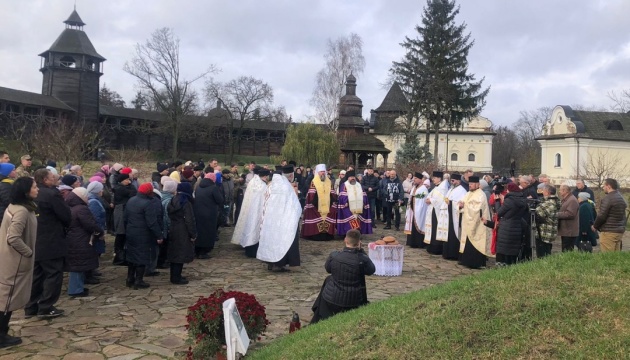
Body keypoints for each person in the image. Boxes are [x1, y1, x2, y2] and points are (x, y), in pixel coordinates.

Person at [23, 169, 71, 318]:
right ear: (45, 179)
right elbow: (65, 215)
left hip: (33, 240)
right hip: (51, 240)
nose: (55, 179)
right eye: (52, 177)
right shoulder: (52, 194)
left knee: (36, 275)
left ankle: (30, 307)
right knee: (53, 274)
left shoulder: (28, 195)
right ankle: (46, 306)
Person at [0, 177, 39, 348]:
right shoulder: (22, 211)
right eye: (34, 186)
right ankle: (1, 336)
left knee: (7, 299)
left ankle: (3, 332)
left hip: (12, 259)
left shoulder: (16, 206)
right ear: (25, 191)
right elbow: (13, 237)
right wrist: (28, 252)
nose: (37, 189)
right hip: (15, 262)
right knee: (7, 300)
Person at [310, 229, 375, 324]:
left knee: (329, 280)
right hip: (354, 299)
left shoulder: (334, 256)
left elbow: (328, 269)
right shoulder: (362, 259)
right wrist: (361, 251)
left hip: (332, 298)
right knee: (329, 280)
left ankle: (318, 313)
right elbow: (371, 270)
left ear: (345, 240)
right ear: (359, 242)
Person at [257, 165, 302, 272]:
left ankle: (271, 262)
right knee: (284, 241)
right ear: (290, 175)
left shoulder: (270, 186)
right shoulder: (286, 187)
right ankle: (280, 264)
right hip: (284, 221)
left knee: (271, 241)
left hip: (270, 220)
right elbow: (294, 205)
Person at [124, 183, 163, 290]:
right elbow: (152, 222)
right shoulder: (148, 203)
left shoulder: (131, 200)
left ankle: (130, 278)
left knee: (132, 256)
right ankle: (139, 280)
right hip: (143, 234)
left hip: (131, 232)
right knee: (141, 257)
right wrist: (159, 235)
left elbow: (125, 218)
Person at [65, 187, 103, 297]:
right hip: (80, 239)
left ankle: (78, 287)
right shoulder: (81, 209)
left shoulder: (70, 207)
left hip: (74, 238)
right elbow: (89, 224)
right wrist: (99, 232)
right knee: (78, 265)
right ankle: (76, 289)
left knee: (77, 264)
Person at [231, 168, 268, 257]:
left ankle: (248, 248)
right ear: (265, 176)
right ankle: (253, 250)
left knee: (250, 228)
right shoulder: (262, 186)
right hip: (258, 211)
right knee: (255, 230)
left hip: (249, 210)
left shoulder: (253, 182)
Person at [458, 176, 492, 269]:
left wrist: (465, 206)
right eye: (469, 184)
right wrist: (460, 205)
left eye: (472, 184)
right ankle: (466, 260)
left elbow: (477, 209)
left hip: (478, 224)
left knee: (476, 242)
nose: (470, 186)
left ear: (477, 184)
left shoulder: (481, 194)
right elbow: (463, 203)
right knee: (467, 241)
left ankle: (476, 262)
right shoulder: (468, 193)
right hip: (468, 222)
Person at [167, 182, 197, 284]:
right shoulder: (186, 203)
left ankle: (175, 275)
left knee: (175, 252)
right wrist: (193, 234)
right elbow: (190, 219)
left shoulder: (173, 199)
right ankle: (176, 277)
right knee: (180, 253)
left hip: (173, 227)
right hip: (182, 229)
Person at [493, 183, 528, 266]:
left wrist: (497, 201)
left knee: (504, 248)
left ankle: (502, 266)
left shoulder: (509, 200)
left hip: (506, 228)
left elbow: (499, 212)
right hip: (517, 227)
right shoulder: (522, 200)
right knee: (513, 249)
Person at [302, 164, 337, 241]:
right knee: (318, 219)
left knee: (326, 219)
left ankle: (327, 235)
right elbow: (311, 194)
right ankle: (316, 235)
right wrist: (314, 202)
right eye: (321, 172)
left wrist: (334, 200)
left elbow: (332, 192)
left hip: (327, 205)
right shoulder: (314, 181)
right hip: (316, 204)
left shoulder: (329, 181)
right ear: (317, 173)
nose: (322, 173)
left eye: (324, 172)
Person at [193, 172, 224, 258]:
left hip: (198, 212)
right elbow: (220, 200)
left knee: (199, 231)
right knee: (207, 233)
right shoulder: (213, 188)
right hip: (209, 214)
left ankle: (197, 250)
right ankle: (204, 251)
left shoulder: (199, 187)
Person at [592, 178, 627, 252]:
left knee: (607, 258)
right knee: (615, 257)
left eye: (604, 186)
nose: (603, 187)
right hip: (619, 231)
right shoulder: (621, 197)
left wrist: (595, 226)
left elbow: (601, 215)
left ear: (609, 186)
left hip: (609, 232)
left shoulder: (608, 199)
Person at [336, 170, 372, 236]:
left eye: (353, 177)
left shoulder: (359, 185)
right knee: (350, 220)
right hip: (348, 207)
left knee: (358, 220)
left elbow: (364, 194)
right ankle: (348, 234)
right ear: (348, 178)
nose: (352, 178)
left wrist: (363, 202)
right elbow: (342, 195)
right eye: (351, 177)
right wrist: (346, 201)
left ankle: (357, 234)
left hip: (359, 207)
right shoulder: (344, 185)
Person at [112, 173, 137, 265]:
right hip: (121, 210)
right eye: (126, 180)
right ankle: (119, 256)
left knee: (124, 233)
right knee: (121, 233)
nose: (129, 181)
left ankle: (123, 255)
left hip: (125, 210)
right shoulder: (119, 188)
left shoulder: (127, 187)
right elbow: (132, 193)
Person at [441, 174, 468, 260]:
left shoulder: (462, 191)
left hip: (455, 217)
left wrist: (451, 203)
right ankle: (447, 253)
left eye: (453, 181)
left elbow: (460, 203)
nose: (452, 182)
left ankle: (453, 254)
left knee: (453, 235)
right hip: (448, 216)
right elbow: (446, 198)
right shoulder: (451, 189)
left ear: (458, 181)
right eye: (451, 181)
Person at [424, 171, 449, 255]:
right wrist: (428, 199)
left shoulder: (443, 188)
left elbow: (441, 200)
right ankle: (431, 245)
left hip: (438, 211)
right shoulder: (436, 187)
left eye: (434, 178)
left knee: (436, 228)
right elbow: (430, 196)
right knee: (432, 228)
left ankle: (436, 247)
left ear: (439, 178)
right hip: (432, 210)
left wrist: (430, 200)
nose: (433, 180)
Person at [534, 185, 560, 257]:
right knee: (546, 251)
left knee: (543, 254)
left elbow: (536, 213)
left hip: (544, 232)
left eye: (544, 190)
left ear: (547, 192)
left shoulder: (549, 203)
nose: (542, 192)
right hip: (548, 231)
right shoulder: (554, 201)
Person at [404, 174, 429, 249]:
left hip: (419, 210)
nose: (414, 180)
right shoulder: (414, 187)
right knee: (411, 226)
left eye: (416, 178)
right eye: (414, 178)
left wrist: (414, 197)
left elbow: (421, 199)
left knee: (418, 224)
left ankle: (419, 243)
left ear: (421, 180)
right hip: (412, 210)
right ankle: (412, 242)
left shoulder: (423, 189)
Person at [557, 185, 579, 252]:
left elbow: (570, 214)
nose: (559, 191)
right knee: (565, 249)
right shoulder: (566, 199)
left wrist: (557, 214)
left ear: (565, 191)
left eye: (560, 190)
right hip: (566, 230)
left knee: (567, 250)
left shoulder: (572, 200)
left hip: (569, 231)